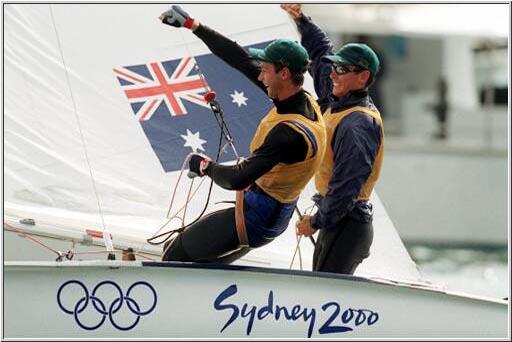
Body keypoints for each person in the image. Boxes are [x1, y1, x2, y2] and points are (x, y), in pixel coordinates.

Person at [159, 6, 326, 264]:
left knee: (175, 254)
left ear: (283, 73)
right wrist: (194, 25)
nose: (260, 75)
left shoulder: (288, 134)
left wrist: (203, 165)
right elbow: (239, 59)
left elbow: (237, 179)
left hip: (255, 221)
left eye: (265, 70)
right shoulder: (301, 98)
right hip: (267, 212)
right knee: (198, 260)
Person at [282, 4, 384, 275]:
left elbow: (346, 186)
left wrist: (316, 221)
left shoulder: (357, 124)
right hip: (338, 222)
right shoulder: (336, 99)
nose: (333, 73)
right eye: (334, 68)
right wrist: (301, 20)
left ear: (363, 77)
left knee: (323, 297)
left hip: (347, 225)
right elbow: (321, 52)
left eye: (341, 69)